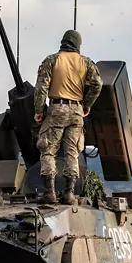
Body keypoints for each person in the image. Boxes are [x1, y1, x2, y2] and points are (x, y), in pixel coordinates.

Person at [33, 30, 103, 205]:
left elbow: (41, 87)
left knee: (48, 149)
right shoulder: (86, 62)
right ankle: (69, 193)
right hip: (77, 111)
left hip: (57, 108)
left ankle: (50, 192)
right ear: (78, 45)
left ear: (63, 42)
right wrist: (86, 104)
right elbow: (97, 84)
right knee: (72, 152)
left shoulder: (52, 60)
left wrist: (39, 109)